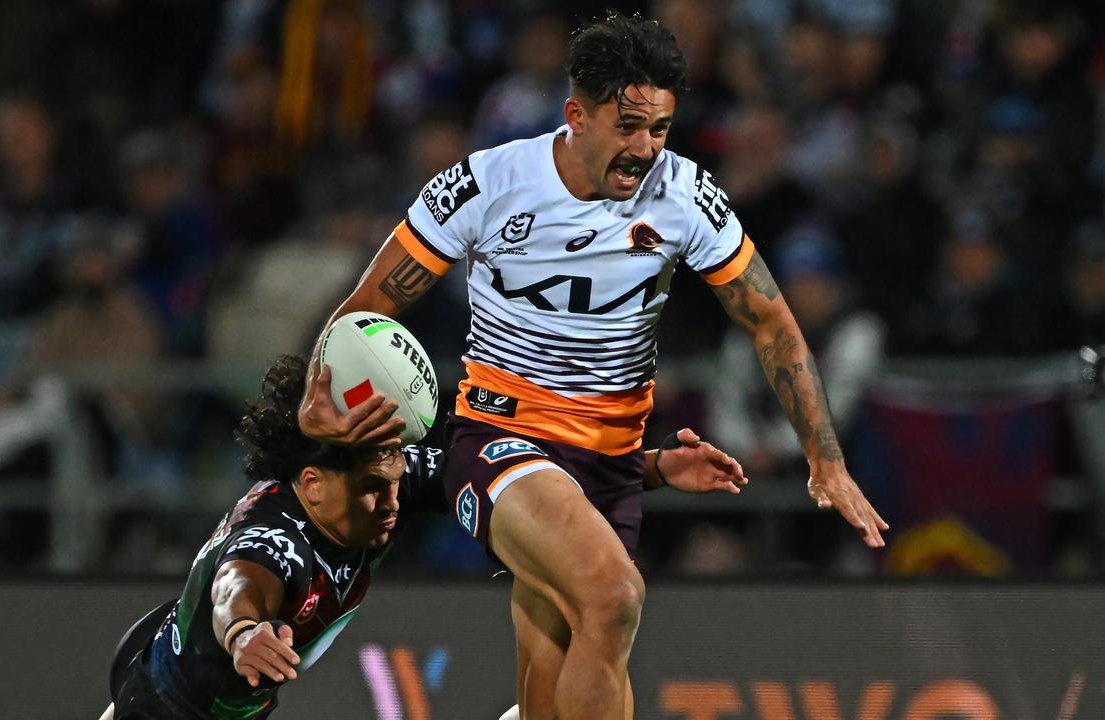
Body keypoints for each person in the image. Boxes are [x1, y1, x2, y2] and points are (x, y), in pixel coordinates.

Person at [297, 13, 888, 720]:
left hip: (611, 465)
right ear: (576, 114)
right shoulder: (487, 185)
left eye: (661, 129)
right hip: (499, 440)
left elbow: (774, 324)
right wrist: (317, 400)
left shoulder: (685, 198)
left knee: (555, 689)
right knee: (614, 598)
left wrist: (826, 461)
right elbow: (366, 309)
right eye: (629, 125)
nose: (645, 149)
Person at [101, 354, 746, 719]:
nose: (391, 505)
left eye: (393, 483)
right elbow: (237, 583)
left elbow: (498, 479)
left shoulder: (367, 485)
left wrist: (653, 468)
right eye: (374, 492)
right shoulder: (278, 542)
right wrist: (244, 631)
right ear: (312, 485)